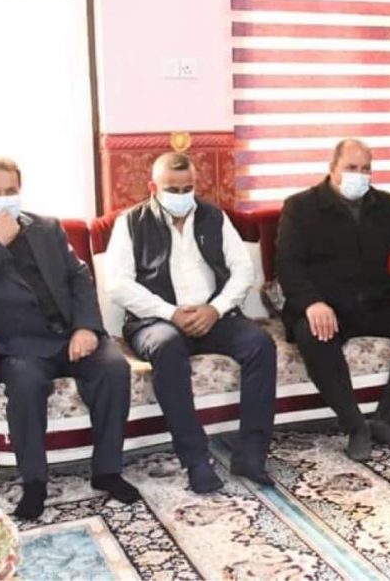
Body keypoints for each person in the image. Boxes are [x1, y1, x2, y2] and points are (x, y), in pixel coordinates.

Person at [0, 157, 140, 520]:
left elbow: (79, 277)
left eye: (10, 191)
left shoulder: (47, 227)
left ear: (20, 190)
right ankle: (34, 483)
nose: (3, 199)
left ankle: (107, 471)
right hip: (20, 346)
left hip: (70, 335)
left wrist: (86, 327)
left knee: (113, 369)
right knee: (26, 384)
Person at [104, 153, 276, 491]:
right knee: (167, 347)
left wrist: (216, 308)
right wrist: (170, 313)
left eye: (188, 188)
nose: (182, 196)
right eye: (173, 189)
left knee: (261, 345)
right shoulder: (131, 222)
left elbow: (243, 270)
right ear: (153, 187)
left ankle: (251, 455)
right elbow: (118, 285)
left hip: (213, 314)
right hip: (157, 320)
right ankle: (196, 460)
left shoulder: (214, 217)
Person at [276, 139, 390, 461]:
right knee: (313, 336)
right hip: (326, 305)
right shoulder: (300, 206)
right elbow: (288, 266)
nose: (359, 175)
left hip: (377, 299)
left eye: (365, 168)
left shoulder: (386, 204)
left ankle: (389, 420)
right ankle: (355, 426)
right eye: (351, 168)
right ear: (333, 169)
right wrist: (312, 303)